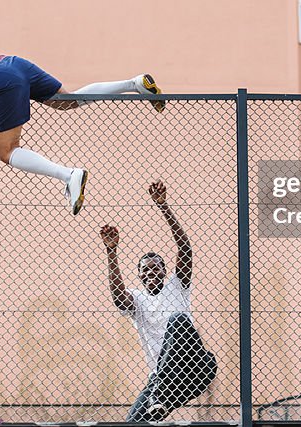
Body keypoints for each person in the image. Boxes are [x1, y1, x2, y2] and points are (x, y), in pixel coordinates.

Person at [0, 23, 164, 215]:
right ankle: (134, 83)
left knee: (7, 151)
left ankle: (69, 175)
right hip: (14, 64)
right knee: (67, 101)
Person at [100, 181, 217, 422]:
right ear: (140, 275)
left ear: (165, 272)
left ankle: (159, 397)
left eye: (156, 268)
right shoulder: (138, 301)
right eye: (145, 269)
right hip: (165, 381)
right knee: (133, 421)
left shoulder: (178, 285)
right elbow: (119, 298)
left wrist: (163, 206)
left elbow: (184, 247)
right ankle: (160, 401)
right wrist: (112, 252)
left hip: (195, 369)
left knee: (179, 320)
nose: (150, 272)